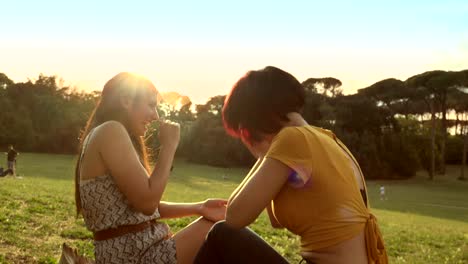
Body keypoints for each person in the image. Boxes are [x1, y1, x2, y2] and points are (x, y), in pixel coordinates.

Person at [195, 66, 388, 264]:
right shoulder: (327, 139)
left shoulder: (293, 139)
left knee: (222, 233)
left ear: (249, 123)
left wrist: (262, 154)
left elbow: (234, 217)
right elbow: (276, 221)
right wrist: (269, 154)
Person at [75, 72, 227, 264]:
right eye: (151, 105)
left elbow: (142, 207)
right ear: (126, 100)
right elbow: (147, 203)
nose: (155, 116)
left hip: (145, 250)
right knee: (219, 232)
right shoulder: (110, 130)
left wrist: (200, 207)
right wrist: (169, 146)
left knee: (218, 230)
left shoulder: (111, 133)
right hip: (132, 256)